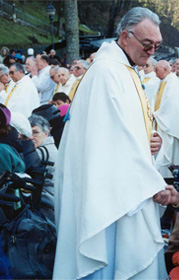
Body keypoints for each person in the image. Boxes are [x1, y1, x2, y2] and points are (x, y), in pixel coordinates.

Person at [53, 7, 168, 279]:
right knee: (108, 258)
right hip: (108, 191)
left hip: (124, 181)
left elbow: (129, 127)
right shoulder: (107, 72)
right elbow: (107, 140)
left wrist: (152, 140)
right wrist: (150, 180)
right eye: (147, 44)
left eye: (158, 45)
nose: (152, 52)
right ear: (126, 36)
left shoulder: (124, 68)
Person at [153, 60, 179, 177]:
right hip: (162, 122)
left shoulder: (172, 82)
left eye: (156, 69)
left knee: (167, 152)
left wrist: (156, 114)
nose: (154, 72)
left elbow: (170, 106)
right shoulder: (165, 81)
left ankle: (166, 177)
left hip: (169, 124)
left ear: (165, 69)